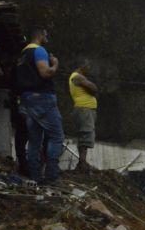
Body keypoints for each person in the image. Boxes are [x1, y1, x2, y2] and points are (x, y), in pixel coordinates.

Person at [14, 27, 64, 185]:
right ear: (40, 35)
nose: (47, 36)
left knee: (34, 140)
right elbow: (45, 73)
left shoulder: (23, 55)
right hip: (43, 99)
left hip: (27, 100)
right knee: (56, 137)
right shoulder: (40, 50)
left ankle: (35, 177)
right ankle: (52, 177)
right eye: (46, 34)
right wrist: (55, 64)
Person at [68, 58, 98, 172]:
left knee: (84, 135)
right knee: (85, 134)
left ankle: (82, 162)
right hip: (84, 109)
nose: (89, 68)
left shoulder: (77, 77)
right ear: (82, 66)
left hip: (84, 110)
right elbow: (94, 88)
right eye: (88, 66)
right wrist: (92, 87)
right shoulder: (78, 76)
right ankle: (82, 163)